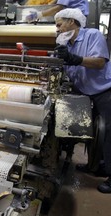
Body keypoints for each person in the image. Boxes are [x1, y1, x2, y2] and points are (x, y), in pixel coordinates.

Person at [54, 8, 111, 193]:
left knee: (109, 133)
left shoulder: (92, 35)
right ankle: (96, 166)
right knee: (90, 133)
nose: (57, 29)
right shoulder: (66, 44)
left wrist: (74, 59)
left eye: (59, 24)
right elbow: (65, 66)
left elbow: (99, 62)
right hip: (84, 92)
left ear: (72, 22)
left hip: (104, 90)